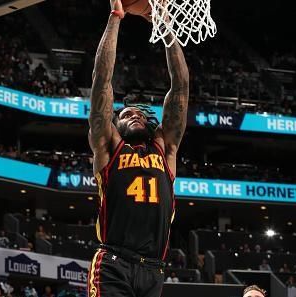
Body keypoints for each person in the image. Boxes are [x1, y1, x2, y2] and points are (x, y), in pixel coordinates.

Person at [87, 1, 189, 296]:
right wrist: (115, 18)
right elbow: (101, 82)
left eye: (140, 113)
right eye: (126, 113)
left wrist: (166, 25)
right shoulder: (109, 147)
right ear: (115, 124)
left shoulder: (165, 148)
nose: (135, 114)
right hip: (113, 263)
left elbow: (180, 86)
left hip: (154, 269)